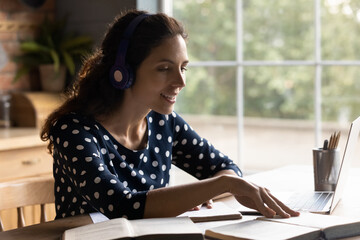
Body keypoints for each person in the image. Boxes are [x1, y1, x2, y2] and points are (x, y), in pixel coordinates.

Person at [40, 9, 299, 220]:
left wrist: (218, 184)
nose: (180, 81)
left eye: (183, 68)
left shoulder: (163, 122)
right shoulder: (74, 130)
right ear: (123, 71)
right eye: (164, 68)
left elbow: (225, 168)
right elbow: (122, 205)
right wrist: (217, 186)